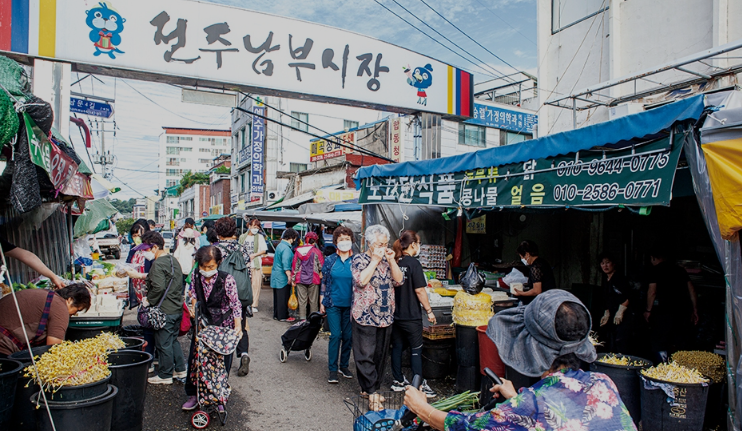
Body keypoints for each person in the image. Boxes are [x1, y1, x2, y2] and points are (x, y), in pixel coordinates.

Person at [403, 290, 636, 431]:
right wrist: (516, 398)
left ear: (532, 347)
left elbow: (467, 426)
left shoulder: (530, 406)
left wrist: (421, 408)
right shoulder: (603, 382)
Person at [182, 246, 243, 411]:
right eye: (204, 267)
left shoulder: (227, 279)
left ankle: (219, 398)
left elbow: (235, 304)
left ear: (219, 263)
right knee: (196, 360)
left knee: (220, 363)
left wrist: (238, 326)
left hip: (223, 326)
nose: (207, 271)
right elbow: (193, 294)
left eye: (211, 267)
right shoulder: (195, 275)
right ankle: (194, 394)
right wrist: (194, 307)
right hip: (202, 325)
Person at [351, 225, 404, 411]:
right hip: (364, 315)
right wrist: (374, 260)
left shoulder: (388, 261)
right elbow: (361, 281)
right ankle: (372, 393)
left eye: (385, 244)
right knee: (365, 355)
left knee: (380, 356)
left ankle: (370, 388)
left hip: (385, 315)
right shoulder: (359, 259)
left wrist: (391, 261)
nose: (384, 247)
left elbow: (399, 281)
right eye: (380, 244)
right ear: (369, 243)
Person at [128, 231, 186, 385]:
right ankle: (180, 368)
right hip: (176, 308)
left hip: (165, 310)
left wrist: (149, 301)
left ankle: (165, 375)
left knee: (163, 343)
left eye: (146, 249)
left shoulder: (158, 263)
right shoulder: (173, 260)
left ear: (154, 247)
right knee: (173, 341)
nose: (144, 253)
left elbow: (159, 287)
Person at [390, 230, 437, 397]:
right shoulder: (414, 264)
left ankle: (398, 380)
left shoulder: (395, 261)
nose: (419, 247)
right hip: (411, 316)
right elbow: (420, 291)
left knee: (397, 347)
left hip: (395, 315)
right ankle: (419, 385)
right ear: (412, 245)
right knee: (416, 348)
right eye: (418, 243)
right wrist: (429, 311)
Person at [0, 283, 91, 356]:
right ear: (70, 300)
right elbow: (54, 349)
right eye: (77, 310)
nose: (74, 314)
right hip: (3, 343)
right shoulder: (60, 308)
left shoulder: (47, 295)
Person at [213, 217, 252, 377]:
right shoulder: (242, 248)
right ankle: (243, 354)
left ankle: (223, 360)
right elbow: (248, 271)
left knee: (222, 327)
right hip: (240, 293)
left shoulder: (215, 250)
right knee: (240, 324)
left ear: (218, 232)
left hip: (220, 295)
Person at [644, 246, 699, 363]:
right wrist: (694, 309)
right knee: (679, 340)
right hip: (682, 312)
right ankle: (679, 365)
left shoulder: (655, 271)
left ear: (653, 258)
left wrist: (648, 310)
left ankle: (662, 365)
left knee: (660, 341)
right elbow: (692, 290)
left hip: (662, 312)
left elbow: (652, 292)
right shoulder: (680, 270)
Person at [320, 226, 355, 384]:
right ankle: (332, 369)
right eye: (341, 239)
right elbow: (324, 281)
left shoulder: (356, 261)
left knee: (348, 336)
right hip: (333, 303)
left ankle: (344, 366)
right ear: (335, 242)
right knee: (335, 335)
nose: (344, 242)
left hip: (351, 305)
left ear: (352, 241)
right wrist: (322, 301)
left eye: (347, 239)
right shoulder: (330, 260)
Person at [597, 253, 631, 354]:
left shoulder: (619, 278)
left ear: (614, 264)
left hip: (624, 315)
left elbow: (629, 296)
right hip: (612, 314)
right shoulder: (606, 279)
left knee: (620, 340)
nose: (605, 266)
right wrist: (606, 312)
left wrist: (621, 310)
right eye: (602, 263)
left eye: (607, 263)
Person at [291, 232, 324, 321]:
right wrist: (321, 274)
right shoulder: (317, 251)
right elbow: (322, 266)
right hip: (314, 278)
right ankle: (313, 320)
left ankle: (302, 320)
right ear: (315, 241)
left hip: (300, 278)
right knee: (313, 301)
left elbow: (295, 266)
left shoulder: (298, 251)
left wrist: (293, 279)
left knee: (302, 301)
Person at [239, 218, 268, 313]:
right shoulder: (242, 237)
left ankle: (254, 304)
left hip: (256, 264)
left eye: (257, 227)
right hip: (244, 265)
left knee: (256, 285)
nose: (256, 229)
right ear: (249, 226)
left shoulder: (260, 237)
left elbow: (264, 250)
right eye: (254, 227)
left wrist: (254, 255)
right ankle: (244, 303)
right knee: (244, 285)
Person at [514, 240, 556, 305]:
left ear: (527, 254)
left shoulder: (535, 267)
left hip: (544, 300)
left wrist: (521, 293)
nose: (522, 259)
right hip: (551, 297)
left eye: (521, 257)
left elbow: (537, 291)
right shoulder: (542, 262)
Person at [272, 228, 298, 322]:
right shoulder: (286, 248)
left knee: (277, 297)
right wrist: (289, 276)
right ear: (292, 237)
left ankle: (276, 315)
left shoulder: (280, 245)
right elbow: (286, 264)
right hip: (282, 276)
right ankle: (282, 316)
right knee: (283, 296)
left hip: (276, 274)